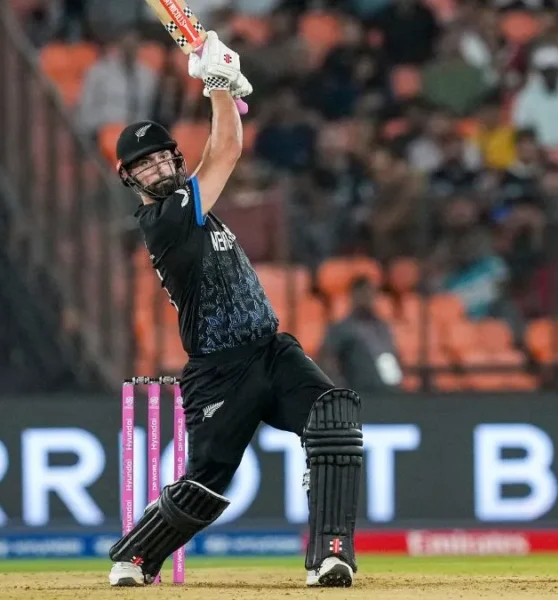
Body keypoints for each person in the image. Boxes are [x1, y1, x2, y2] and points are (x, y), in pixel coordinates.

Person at [106, 32, 363, 588]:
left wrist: (226, 92)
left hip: (272, 350)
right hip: (219, 369)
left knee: (335, 422)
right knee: (207, 482)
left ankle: (331, 555)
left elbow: (226, 148)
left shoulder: (197, 209)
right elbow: (224, 153)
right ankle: (134, 556)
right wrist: (218, 84)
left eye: (163, 157)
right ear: (129, 179)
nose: (157, 168)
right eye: (144, 166)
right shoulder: (165, 221)